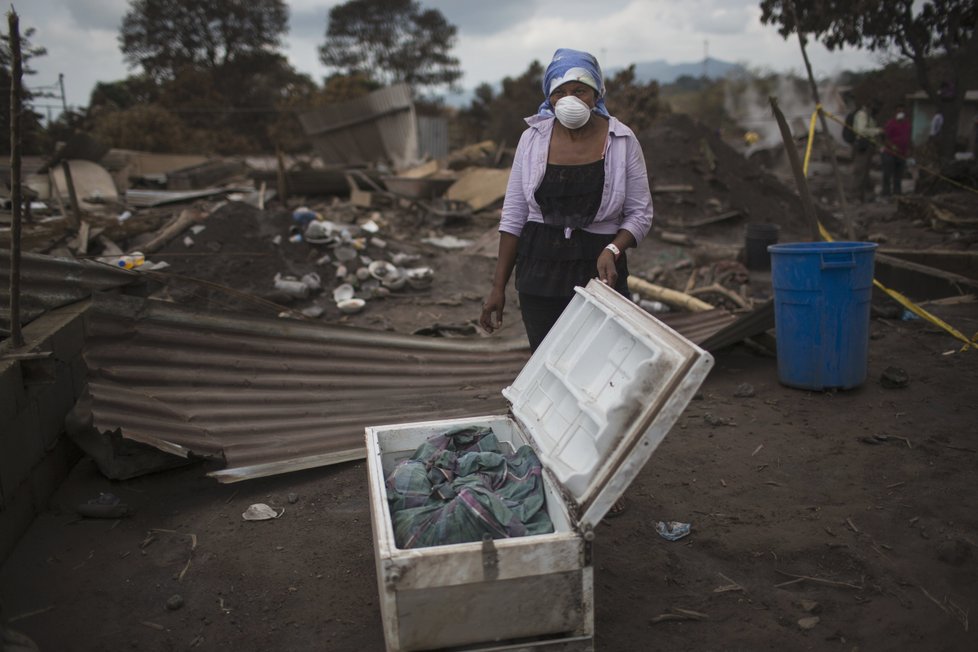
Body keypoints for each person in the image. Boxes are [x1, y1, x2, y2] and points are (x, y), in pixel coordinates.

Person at [479, 48, 653, 354]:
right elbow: (514, 215)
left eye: (579, 91)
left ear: (597, 93)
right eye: (561, 92)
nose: (570, 99)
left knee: (603, 359)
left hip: (600, 269)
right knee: (548, 359)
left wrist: (613, 248)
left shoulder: (622, 140)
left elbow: (640, 213)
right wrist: (497, 288)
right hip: (539, 268)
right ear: (550, 97)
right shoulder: (532, 138)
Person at [851, 99, 883, 202]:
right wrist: (877, 131)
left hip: (868, 147)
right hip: (863, 147)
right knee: (860, 172)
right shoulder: (862, 115)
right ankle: (856, 196)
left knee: (865, 173)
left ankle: (861, 196)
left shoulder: (869, 117)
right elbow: (861, 131)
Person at [881, 104, 911, 197]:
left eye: (902, 111)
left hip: (902, 154)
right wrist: (892, 146)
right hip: (890, 153)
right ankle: (886, 193)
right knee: (887, 174)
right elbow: (885, 138)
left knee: (898, 175)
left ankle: (897, 193)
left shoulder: (907, 124)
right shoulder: (890, 124)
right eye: (898, 111)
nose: (900, 113)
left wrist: (909, 150)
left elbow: (908, 138)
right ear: (895, 113)